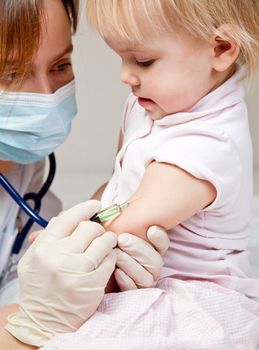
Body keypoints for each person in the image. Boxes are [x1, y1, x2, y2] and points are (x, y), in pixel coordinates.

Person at [30, 0, 259, 348]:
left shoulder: (210, 145)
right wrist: (75, 220)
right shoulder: (152, 104)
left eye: (143, 61)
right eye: (120, 57)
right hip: (130, 276)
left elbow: (123, 223)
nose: (125, 76)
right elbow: (117, 187)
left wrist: (58, 250)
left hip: (188, 298)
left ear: (221, 49)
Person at [0, 0, 170, 347]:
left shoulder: (24, 166)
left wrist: (98, 280)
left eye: (60, 65)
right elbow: (36, 310)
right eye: (9, 74)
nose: (47, 96)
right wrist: (33, 325)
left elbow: (24, 277)